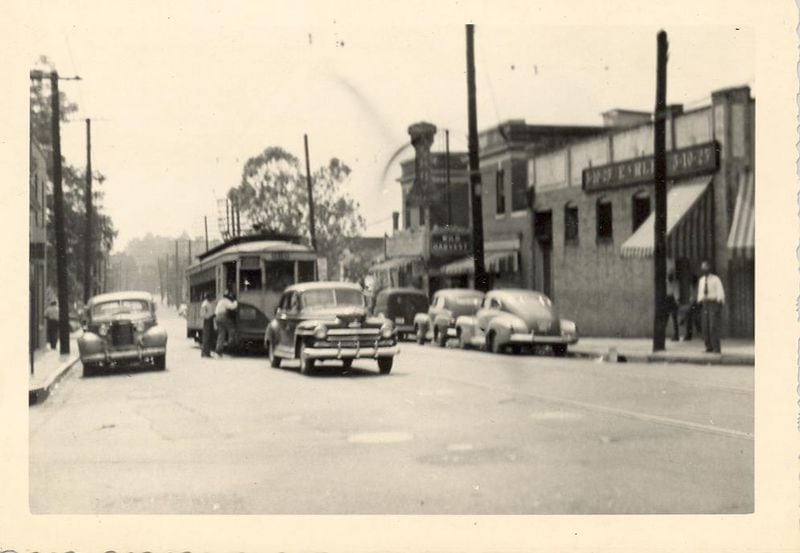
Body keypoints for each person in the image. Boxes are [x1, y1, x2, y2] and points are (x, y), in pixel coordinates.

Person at [697, 260, 725, 353]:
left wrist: (719, 303)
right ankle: (708, 347)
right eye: (702, 267)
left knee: (713, 326)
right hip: (705, 304)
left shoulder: (715, 279)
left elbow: (720, 292)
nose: (704, 269)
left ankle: (716, 348)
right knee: (705, 326)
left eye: (706, 267)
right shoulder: (701, 280)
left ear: (709, 268)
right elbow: (700, 293)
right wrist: (700, 301)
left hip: (713, 303)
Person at [214, 290, 238, 357]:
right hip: (223, 316)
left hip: (217, 317)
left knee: (221, 334)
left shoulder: (220, 301)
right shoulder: (226, 301)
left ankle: (218, 350)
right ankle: (231, 343)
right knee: (231, 328)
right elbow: (233, 307)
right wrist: (236, 301)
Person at [665, 271, 680, 341]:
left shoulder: (675, 283)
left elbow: (676, 292)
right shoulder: (666, 283)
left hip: (672, 299)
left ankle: (676, 335)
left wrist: (676, 301)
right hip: (668, 299)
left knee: (674, 319)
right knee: (666, 318)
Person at [200, 292, 215, 358]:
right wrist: (209, 316)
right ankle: (204, 352)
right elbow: (202, 314)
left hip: (210, 320)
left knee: (210, 337)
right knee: (206, 337)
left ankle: (207, 352)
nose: (212, 298)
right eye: (211, 297)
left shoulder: (209, 303)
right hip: (207, 321)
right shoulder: (205, 304)